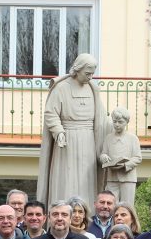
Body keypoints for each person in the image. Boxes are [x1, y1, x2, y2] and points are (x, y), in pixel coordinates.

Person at [38, 53, 108, 205]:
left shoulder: (92, 89)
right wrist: (58, 131)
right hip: (67, 140)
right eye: (87, 73)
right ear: (77, 69)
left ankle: (86, 215)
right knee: (66, 178)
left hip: (89, 140)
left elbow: (101, 117)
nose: (90, 77)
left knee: (86, 180)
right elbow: (51, 113)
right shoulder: (62, 88)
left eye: (92, 74)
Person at [99, 107, 141, 205]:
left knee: (127, 205)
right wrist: (104, 157)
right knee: (110, 204)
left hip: (127, 178)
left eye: (120, 122)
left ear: (126, 122)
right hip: (112, 177)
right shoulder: (108, 138)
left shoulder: (132, 138)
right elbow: (103, 153)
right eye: (115, 122)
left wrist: (125, 165)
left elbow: (138, 157)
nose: (117, 125)